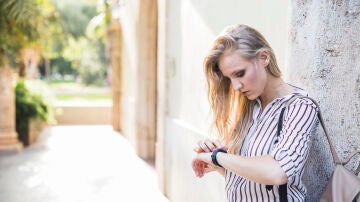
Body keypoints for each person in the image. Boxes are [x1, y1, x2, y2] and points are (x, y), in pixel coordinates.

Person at [192, 24, 319, 201]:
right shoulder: (250, 107)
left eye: (240, 73)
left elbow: (277, 172)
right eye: (230, 78)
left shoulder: (299, 107)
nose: (236, 86)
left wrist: (218, 157)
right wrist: (214, 160)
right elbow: (248, 182)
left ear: (264, 57)